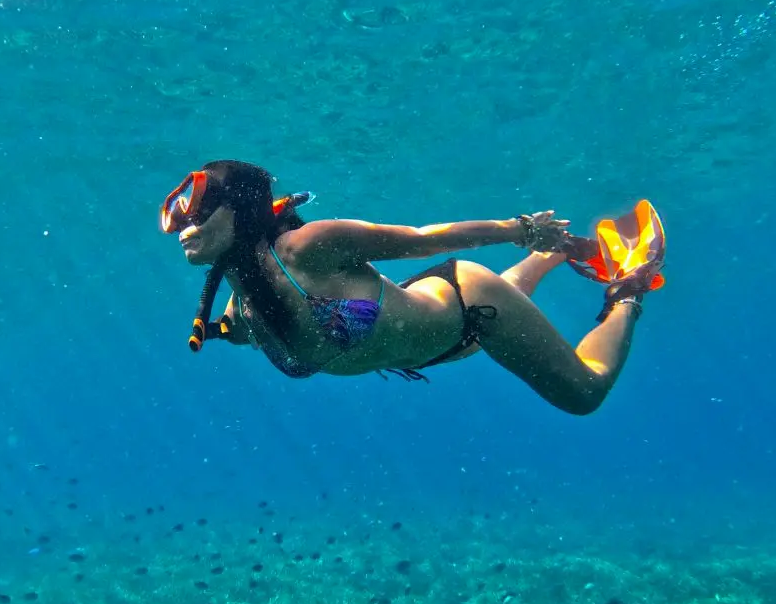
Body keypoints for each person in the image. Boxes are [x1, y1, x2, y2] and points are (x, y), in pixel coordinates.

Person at [160, 161, 665, 415]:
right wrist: (225, 330)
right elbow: (255, 329)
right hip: (434, 341)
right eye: (182, 211)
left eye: (201, 207)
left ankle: (629, 289)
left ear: (241, 210)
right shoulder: (242, 297)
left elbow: (422, 240)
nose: (186, 224)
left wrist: (519, 229)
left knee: (584, 393)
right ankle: (553, 255)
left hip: (468, 302)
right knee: (501, 313)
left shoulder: (310, 247)